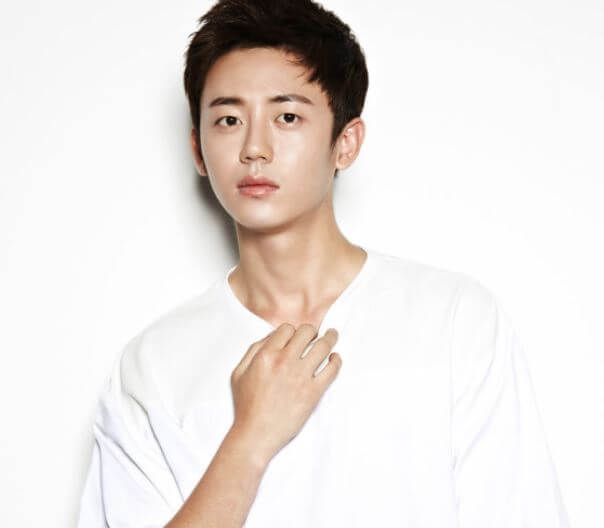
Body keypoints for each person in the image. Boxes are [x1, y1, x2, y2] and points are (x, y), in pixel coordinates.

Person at [76, 1, 571, 526]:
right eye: (229, 120)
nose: (255, 148)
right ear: (198, 149)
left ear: (346, 142)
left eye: (287, 117)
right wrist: (250, 439)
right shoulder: (153, 366)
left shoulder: (454, 321)